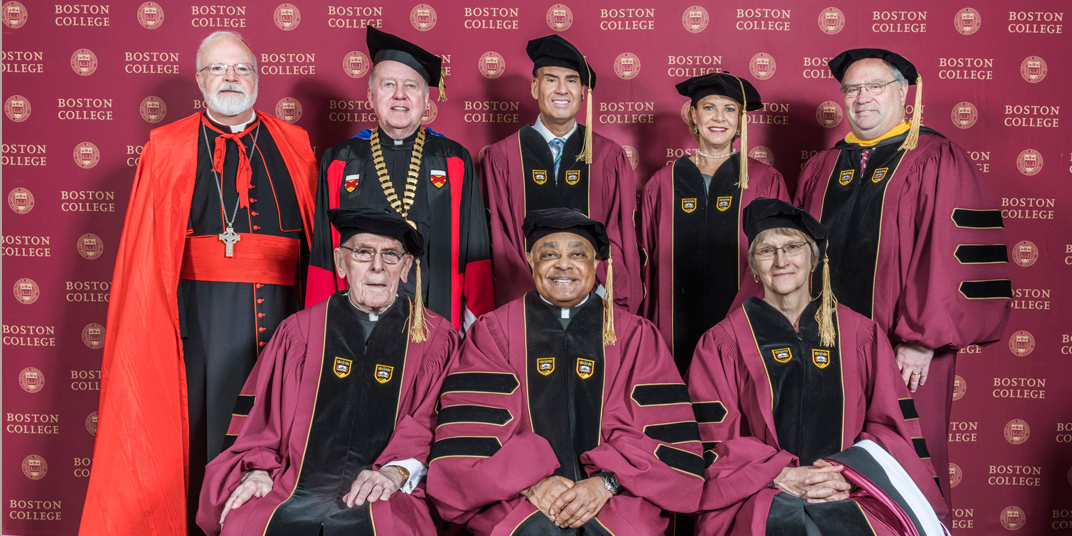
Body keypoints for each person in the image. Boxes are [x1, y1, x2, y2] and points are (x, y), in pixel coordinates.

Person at [81, 31, 318, 536]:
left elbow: (316, 243)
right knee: (201, 437)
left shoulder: (294, 143)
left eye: (242, 69)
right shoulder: (166, 147)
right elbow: (149, 256)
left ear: (257, 77)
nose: (230, 78)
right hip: (200, 325)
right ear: (199, 79)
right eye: (218, 69)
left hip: (286, 317)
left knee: (284, 431)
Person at [793, 48, 1011, 518]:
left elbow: (949, 254)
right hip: (822, 346)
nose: (862, 98)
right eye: (852, 89)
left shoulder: (937, 158)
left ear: (903, 93)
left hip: (904, 348)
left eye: (875, 87)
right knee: (823, 462)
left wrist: (922, 339)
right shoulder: (822, 168)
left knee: (901, 464)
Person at [427, 208, 704, 535]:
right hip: (517, 496)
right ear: (530, 260)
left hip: (618, 494)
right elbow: (471, 436)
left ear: (596, 264)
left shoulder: (634, 335)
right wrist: (532, 483)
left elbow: (665, 438)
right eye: (549, 254)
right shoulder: (494, 332)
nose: (563, 264)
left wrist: (606, 484)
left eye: (577, 254)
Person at [689, 198, 947, 535]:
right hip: (762, 491)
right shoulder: (724, 342)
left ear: (813, 259)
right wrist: (779, 474)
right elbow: (713, 436)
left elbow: (890, 425)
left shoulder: (860, 334)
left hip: (850, 489)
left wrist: (847, 474)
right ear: (753, 267)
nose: (781, 260)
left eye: (792, 247)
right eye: (767, 251)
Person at [197, 208, 456, 536]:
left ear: (405, 267)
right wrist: (258, 469)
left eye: (390, 254)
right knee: (245, 523)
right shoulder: (300, 333)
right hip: (291, 486)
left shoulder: (435, 340)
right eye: (363, 252)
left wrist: (396, 473)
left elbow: (435, 425)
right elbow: (261, 423)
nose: (377, 266)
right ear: (340, 261)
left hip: (384, 490)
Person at [306, 27, 493, 330]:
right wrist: (318, 326)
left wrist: (476, 330)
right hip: (353, 322)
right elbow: (325, 255)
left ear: (426, 97)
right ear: (370, 94)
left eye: (411, 85)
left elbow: (476, 254)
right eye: (388, 84)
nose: (400, 95)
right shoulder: (340, 160)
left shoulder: (453, 159)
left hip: (435, 317)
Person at [639, 72, 789, 375]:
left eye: (729, 109)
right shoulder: (664, 183)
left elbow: (783, 261)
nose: (718, 117)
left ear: (740, 120)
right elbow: (644, 261)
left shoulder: (764, 180)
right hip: (673, 326)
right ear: (693, 115)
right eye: (709, 108)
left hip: (745, 322)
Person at [481, 35, 642, 312]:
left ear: (582, 91)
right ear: (535, 87)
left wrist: (602, 294)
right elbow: (502, 239)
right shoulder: (503, 157)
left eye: (571, 80)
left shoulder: (609, 156)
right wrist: (529, 299)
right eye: (551, 79)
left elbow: (619, 234)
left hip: (595, 299)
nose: (561, 89)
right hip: (525, 304)